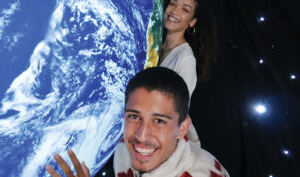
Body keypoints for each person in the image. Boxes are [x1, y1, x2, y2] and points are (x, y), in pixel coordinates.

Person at [46, 67, 229, 177]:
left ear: (182, 129)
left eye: (159, 121)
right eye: (134, 116)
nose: (141, 136)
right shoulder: (125, 149)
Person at [160, 0, 217, 96]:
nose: (174, 11)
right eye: (172, 4)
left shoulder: (185, 59)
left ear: (192, 22)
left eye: (185, 10)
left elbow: (180, 108)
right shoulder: (155, 43)